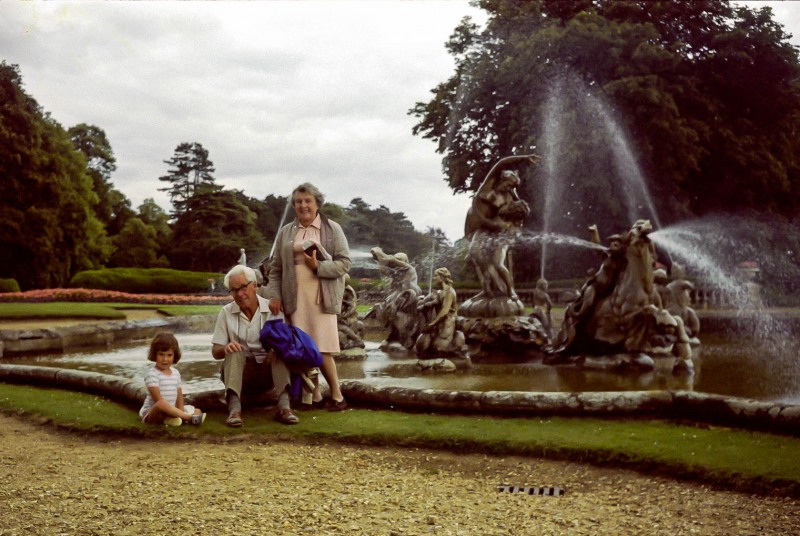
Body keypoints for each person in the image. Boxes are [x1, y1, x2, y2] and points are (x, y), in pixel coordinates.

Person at [266, 182, 351, 411]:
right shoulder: (286, 232)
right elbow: (276, 270)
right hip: (294, 298)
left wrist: (319, 267)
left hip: (321, 297)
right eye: (298, 201)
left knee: (322, 348)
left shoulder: (332, 229)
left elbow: (344, 263)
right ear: (294, 205)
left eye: (308, 201)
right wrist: (275, 295)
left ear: (317, 203)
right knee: (302, 348)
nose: (303, 205)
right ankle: (312, 396)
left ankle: (337, 395)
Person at [212, 265, 298, 426]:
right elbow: (215, 351)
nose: (239, 294)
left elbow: (289, 344)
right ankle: (234, 410)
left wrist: (277, 347)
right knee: (235, 351)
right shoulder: (226, 312)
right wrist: (225, 348)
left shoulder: (273, 309)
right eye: (234, 290)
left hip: (268, 374)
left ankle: (284, 408)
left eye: (243, 287)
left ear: (255, 286)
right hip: (241, 375)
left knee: (280, 350)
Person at [139, 332, 206, 427]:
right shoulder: (152, 374)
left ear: (174, 355)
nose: (165, 359)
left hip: (172, 410)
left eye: (169, 355)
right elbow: (157, 400)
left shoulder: (175, 373)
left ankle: (174, 419)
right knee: (162, 403)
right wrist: (180, 413)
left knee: (197, 410)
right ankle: (189, 419)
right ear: (155, 354)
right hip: (153, 412)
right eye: (161, 354)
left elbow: (179, 395)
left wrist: (180, 410)